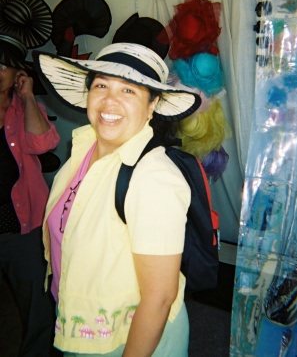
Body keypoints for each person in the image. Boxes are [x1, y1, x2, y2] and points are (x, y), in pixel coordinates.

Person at [33, 42, 201, 357]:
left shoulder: (153, 177)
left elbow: (159, 298)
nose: (110, 100)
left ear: (152, 105)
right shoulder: (83, 148)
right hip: (81, 324)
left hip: (131, 340)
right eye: (101, 85)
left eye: (129, 91)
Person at [0, 33, 60, 357]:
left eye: (3, 65)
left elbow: (43, 144)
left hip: (22, 227)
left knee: (36, 305)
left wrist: (27, 97)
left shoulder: (25, 110)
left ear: (17, 74)